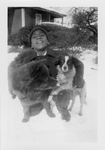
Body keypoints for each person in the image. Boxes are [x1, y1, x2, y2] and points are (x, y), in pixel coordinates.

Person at [16, 25, 84, 88]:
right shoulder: (25, 60)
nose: (38, 37)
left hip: (58, 96)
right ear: (31, 44)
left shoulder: (60, 55)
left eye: (42, 35)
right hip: (36, 98)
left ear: (47, 41)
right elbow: (15, 75)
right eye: (34, 37)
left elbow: (79, 65)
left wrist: (77, 82)